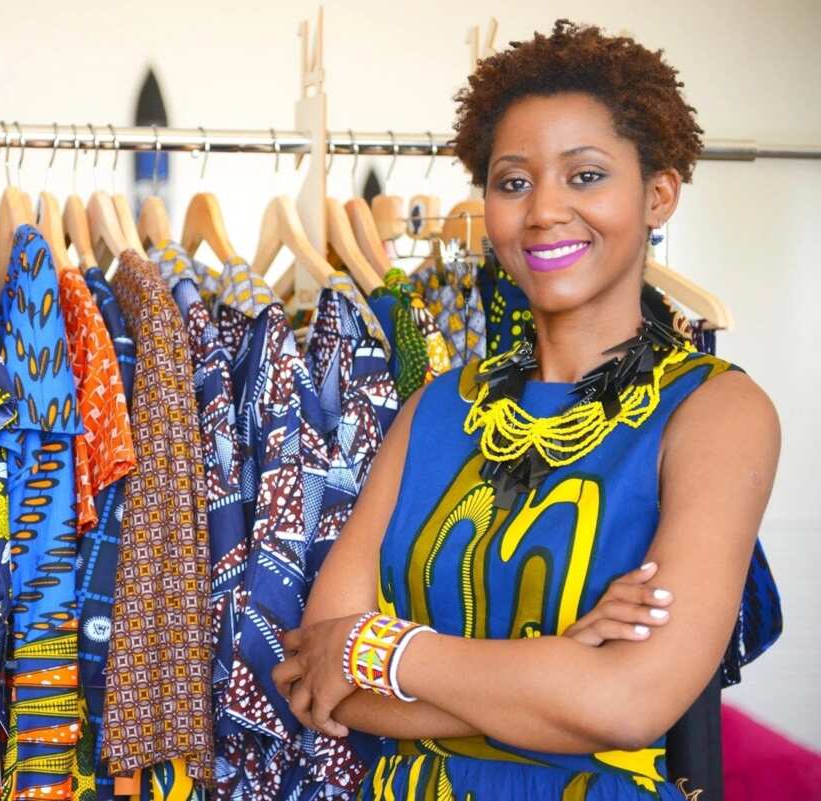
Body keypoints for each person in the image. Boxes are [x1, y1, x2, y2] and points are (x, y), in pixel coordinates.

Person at [273, 20, 780, 800]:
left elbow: (631, 701)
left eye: (585, 176)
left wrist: (384, 650)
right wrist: (556, 664)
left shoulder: (716, 410)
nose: (544, 210)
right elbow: (320, 683)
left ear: (658, 193)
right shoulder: (436, 407)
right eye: (513, 182)